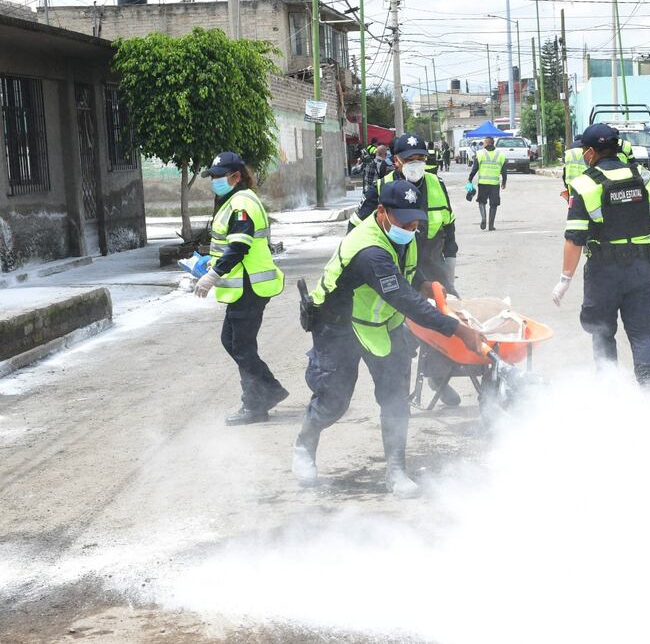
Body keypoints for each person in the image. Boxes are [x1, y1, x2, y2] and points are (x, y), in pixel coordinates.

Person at [292, 180, 484, 497]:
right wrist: (459, 330)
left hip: (380, 322)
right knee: (334, 401)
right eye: (404, 221)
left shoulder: (402, 231)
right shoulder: (368, 251)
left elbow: (407, 270)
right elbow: (403, 299)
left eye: (415, 221)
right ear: (381, 212)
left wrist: (424, 283)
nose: (411, 227)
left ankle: (396, 470)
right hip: (338, 325)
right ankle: (305, 444)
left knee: (395, 395)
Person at [551, 124, 650, 388]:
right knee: (641, 332)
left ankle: (610, 392)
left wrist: (565, 279)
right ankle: (649, 392)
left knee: (602, 333)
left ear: (590, 152)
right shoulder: (647, 178)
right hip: (643, 267)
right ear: (617, 147)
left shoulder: (584, 185)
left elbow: (574, 239)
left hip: (604, 270)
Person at [349, 134, 462, 406]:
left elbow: (449, 228)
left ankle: (437, 377)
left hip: (431, 269)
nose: (416, 163)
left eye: (421, 158)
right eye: (409, 159)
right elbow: (354, 230)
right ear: (396, 161)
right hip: (392, 271)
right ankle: (398, 394)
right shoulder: (380, 189)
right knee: (404, 335)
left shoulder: (436, 184)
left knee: (440, 328)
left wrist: (449, 270)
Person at [194, 152, 288, 424]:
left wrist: (213, 275)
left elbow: (239, 246)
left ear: (236, 176)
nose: (215, 181)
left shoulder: (242, 202)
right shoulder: (233, 201)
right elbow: (227, 244)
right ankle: (269, 390)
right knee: (232, 342)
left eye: (219, 176)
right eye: (212, 177)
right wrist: (209, 261)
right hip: (243, 287)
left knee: (242, 346)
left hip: (250, 286)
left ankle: (256, 404)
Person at [468, 136, 508, 230]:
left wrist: (470, 178)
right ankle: (491, 225)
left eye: (484, 142)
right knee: (493, 204)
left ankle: (483, 218)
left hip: (483, 183)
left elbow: (475, 168)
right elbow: (504, 170)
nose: (483, 144)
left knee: (481, 201)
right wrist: (504, 182)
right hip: (495, 184)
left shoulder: (480, 153)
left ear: (486, 143)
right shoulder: (500, 155)